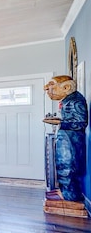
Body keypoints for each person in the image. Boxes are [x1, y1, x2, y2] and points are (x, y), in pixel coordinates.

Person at [43, 75, 87, 203]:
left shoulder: (74, 101)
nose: (47, 90)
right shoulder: (68, 100)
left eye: (52, 86)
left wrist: (60, 122)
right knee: (63, 166)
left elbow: (80, 122)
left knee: (68, 167)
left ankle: (69, 195)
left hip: (70, 141)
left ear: (66, 87)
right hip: (67, 139)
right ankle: (65, 191)